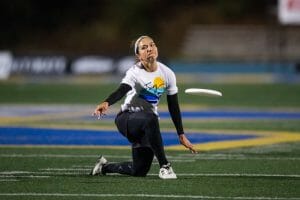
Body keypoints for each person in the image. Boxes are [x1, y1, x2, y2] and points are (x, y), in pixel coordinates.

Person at [90, 35, 197, 179]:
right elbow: (122, 89)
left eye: (152, 45)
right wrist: (107, 102)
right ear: (138, 55)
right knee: (151, 118)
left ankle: (103, 167)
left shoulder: (168, 74)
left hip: (146, 125)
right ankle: (165, 166)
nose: (149, 49)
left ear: (157, 49)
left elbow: (173, 105)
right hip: (126, 119)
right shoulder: (134, 72)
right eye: (144, 47)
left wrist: (181, 134)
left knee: (139, 171)